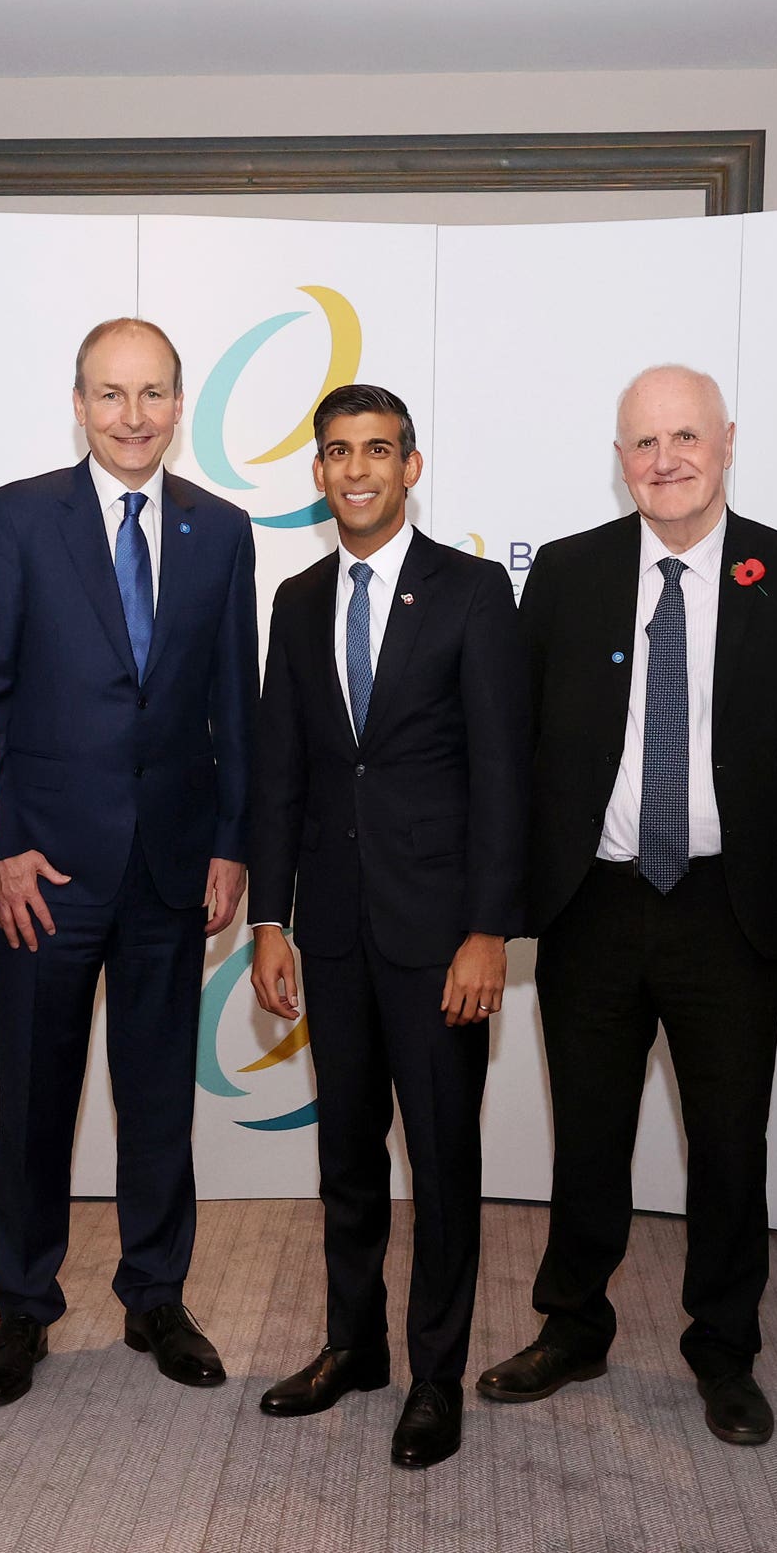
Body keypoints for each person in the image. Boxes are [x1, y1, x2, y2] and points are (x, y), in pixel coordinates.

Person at [480, 365, 777, 1444]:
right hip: (590, 903)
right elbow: (520, 742)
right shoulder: (564, 573)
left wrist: (769, 864)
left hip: (723, 910)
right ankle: (571, 1323)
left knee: (729, 1143)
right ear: (618, 455)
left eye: (685, 436)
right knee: (586, 1133)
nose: (665, 459)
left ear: (726, 441)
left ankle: (723, 1346)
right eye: (642, 442)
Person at [0, 317, 260, 1405]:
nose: (132, 416)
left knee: (156, 1098)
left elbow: (236, 698)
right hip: (43, 871)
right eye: (109, 394)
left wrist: (233, 841)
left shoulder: (223, 532)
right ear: (77, 403)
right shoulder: (17, 517)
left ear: (179, 405)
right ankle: (22, 1308)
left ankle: (155, 1295)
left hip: (172, 867)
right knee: (34, 1097)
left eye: (151, 394)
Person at [245, 384, 530, 1470]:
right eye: (335, 451)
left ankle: (435, 1373)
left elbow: (505, 775)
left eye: (376, 449)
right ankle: (351, 1344)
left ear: (412, 466)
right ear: (316, 472)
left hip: (439, 935)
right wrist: (271, 919)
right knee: (347, 1154)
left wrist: (488, 929)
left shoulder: (471, 591)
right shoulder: (298, 598)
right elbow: (280, 773)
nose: (355, 467)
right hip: (333, 928)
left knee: (443, 1160)